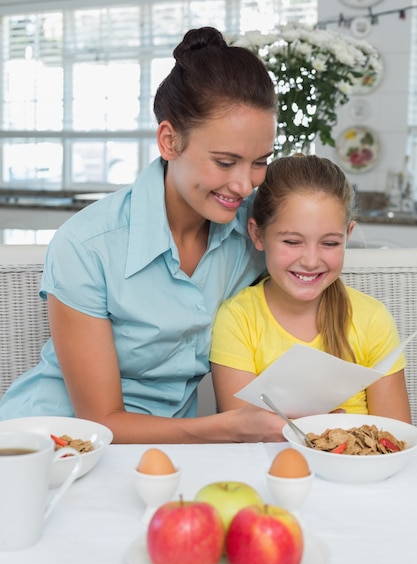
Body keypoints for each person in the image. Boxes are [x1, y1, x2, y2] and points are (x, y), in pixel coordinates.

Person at [0, 26, 287, 443]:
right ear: (169, 141)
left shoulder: (252, 234)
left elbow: (316, 234)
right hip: (51, 443)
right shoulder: (87, 246)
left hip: (161, 451)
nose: (244, 185)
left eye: (259, 161)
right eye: (225, 162)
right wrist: (228, 428)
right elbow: (101, 421)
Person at [210, 154, 411, 427]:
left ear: (347, 235)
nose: (311, 260)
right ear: (257, 234)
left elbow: (395, 436)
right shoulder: (238, 318)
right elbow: (241, 431)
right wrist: (327, 426)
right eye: (292, 241)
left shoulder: (372, 319)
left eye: (329, 243)